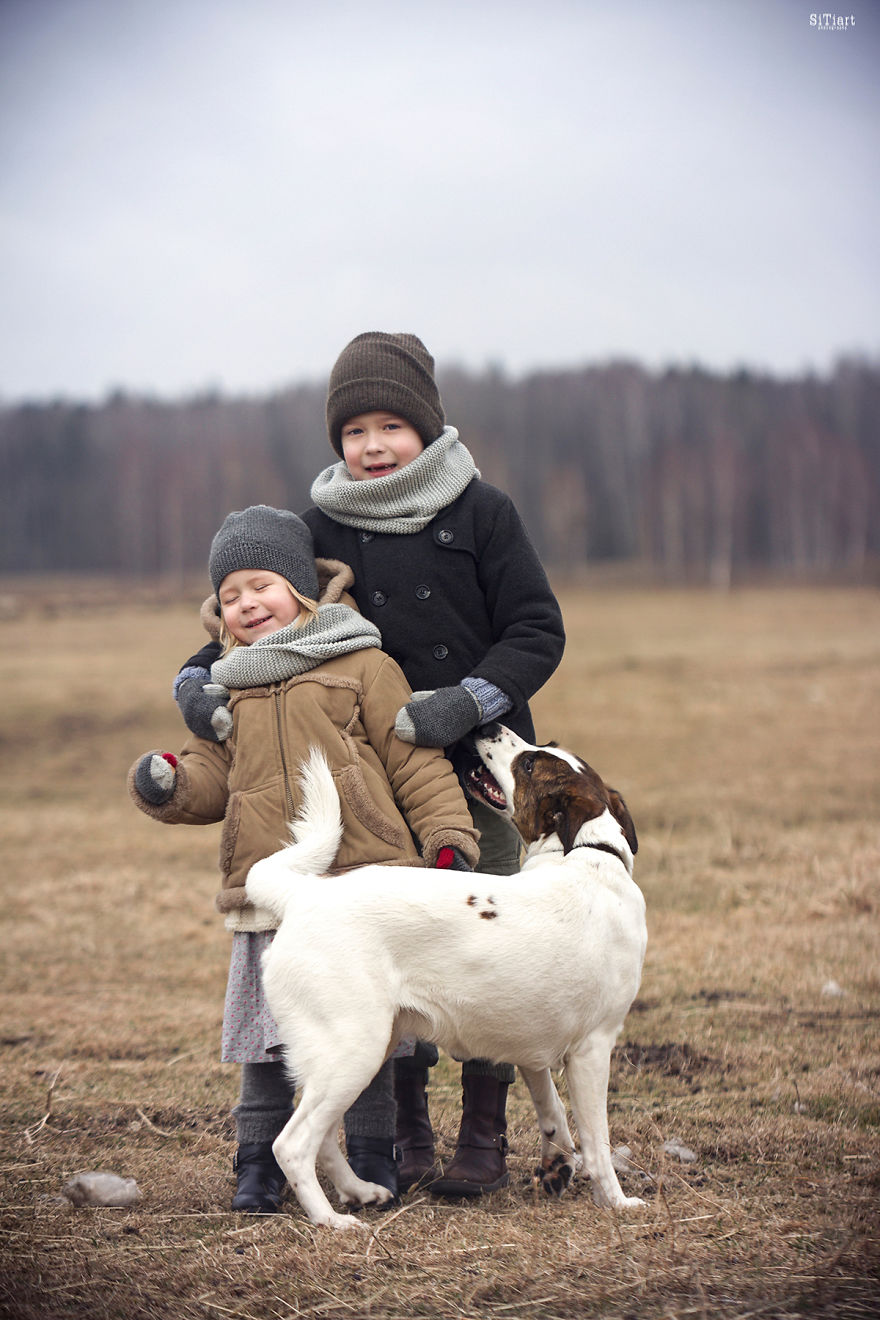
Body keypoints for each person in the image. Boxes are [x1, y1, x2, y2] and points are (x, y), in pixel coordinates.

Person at [173, 333, 566, 1197]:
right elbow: (258, 617)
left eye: (393, 425)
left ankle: (487, 1136)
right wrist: (195, 682)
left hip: (481, 767)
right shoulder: (317, 528)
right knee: (394, 954)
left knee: (485, 946)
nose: (375, 445)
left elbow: (538, 630)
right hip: (368, 779)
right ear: (337, 442)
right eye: (356, 430)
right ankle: (407, 1138)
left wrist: (465, 702)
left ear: (427, 428)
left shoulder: (482, 511)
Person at [129, 504, 480, 1214]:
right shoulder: (226, 685)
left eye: (260, 584)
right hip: (274, 899)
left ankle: (373, 1156)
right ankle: (257, 1165)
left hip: (365, 888)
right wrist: (168, 782)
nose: (246, 603)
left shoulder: (363, 662)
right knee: (267, 1046)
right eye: (229, 595)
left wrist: (448, 840)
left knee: (369, 1035)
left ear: (300, 586)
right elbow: (210, 775)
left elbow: (414, 760)